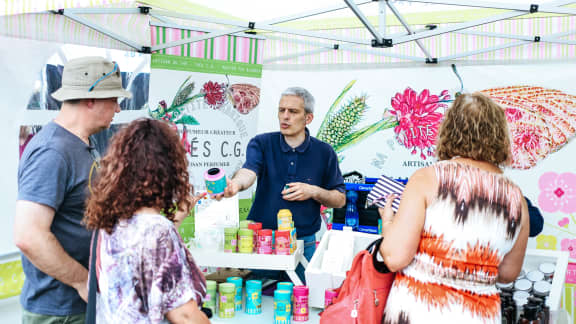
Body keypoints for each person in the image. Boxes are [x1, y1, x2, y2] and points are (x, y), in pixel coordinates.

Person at [378, 92, 529, 324]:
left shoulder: (428, 178)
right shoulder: (516, 197)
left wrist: (389, 223)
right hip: (479, 316)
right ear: (500, 136)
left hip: (420, 312)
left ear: (449, 131)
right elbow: (508, 273)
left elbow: (395, 257)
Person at [14, 56, 131, 323]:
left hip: (77, 307)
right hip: (60, 311)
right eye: (114, 100)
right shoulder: (53, 151)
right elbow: (28, 235)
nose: (118, 109)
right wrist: (82, 282)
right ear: (91, 99)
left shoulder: (79, 143)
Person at [83, 118, 209, 323]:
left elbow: (144, 254)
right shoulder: (158, 231)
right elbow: (185, 315)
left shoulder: (108, 222)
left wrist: (179, 214)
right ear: (168, 170)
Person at [217, 87, 346, 281]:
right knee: (255, 304)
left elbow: (340, 199)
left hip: (303, 244)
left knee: (299, 304)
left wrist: (313, 191)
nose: (285, 117)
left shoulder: (324, 152)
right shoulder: (262, 143)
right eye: (281, 110)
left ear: (308, 118)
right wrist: (235, 184)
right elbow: (249, 172)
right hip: (262, 242)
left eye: (293, 112)